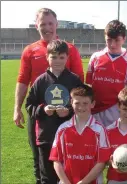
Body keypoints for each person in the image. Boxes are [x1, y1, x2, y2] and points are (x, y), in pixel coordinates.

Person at [13, 8, 84, 184]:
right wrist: (17, 109)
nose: (47, 27)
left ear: (56, 24)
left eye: (50, 23)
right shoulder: (30, 51)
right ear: (36, 25)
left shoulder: (71, 49)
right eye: (42, 24)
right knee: (40, 158)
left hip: (66, 117)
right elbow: (22, 80)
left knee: (69, 159)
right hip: (40, 116)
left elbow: (78, 85)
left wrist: (69, 110)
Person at [25, 40, 83, 184]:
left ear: (67, 58)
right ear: (47, 57)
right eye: (53, 57)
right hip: (46, 138)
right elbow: (29, 105)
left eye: (61, 57)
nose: (57, 61)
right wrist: (43, 110)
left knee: (69, 177)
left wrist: (69, 111)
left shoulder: (74, 80)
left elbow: (82, 105)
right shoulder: (40, 81)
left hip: (69, 138)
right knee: (48, 178)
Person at [50, 84, 111, 184]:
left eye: (85, 103)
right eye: (77, 103)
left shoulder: (100, 130)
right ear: (71, 103)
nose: (81, 107)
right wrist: (66, 182)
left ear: (93, 104)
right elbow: (56, 160)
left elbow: (102, 162)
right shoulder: (62, 129)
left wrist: (83, 182)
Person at [86, 20, 127, 127]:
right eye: (109, 40)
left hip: (116, 111)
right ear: (105, 37)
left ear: (124, 39)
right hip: (94, 110)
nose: (112, 45)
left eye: (117, 40)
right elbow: (88, 85)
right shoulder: (95, 57)